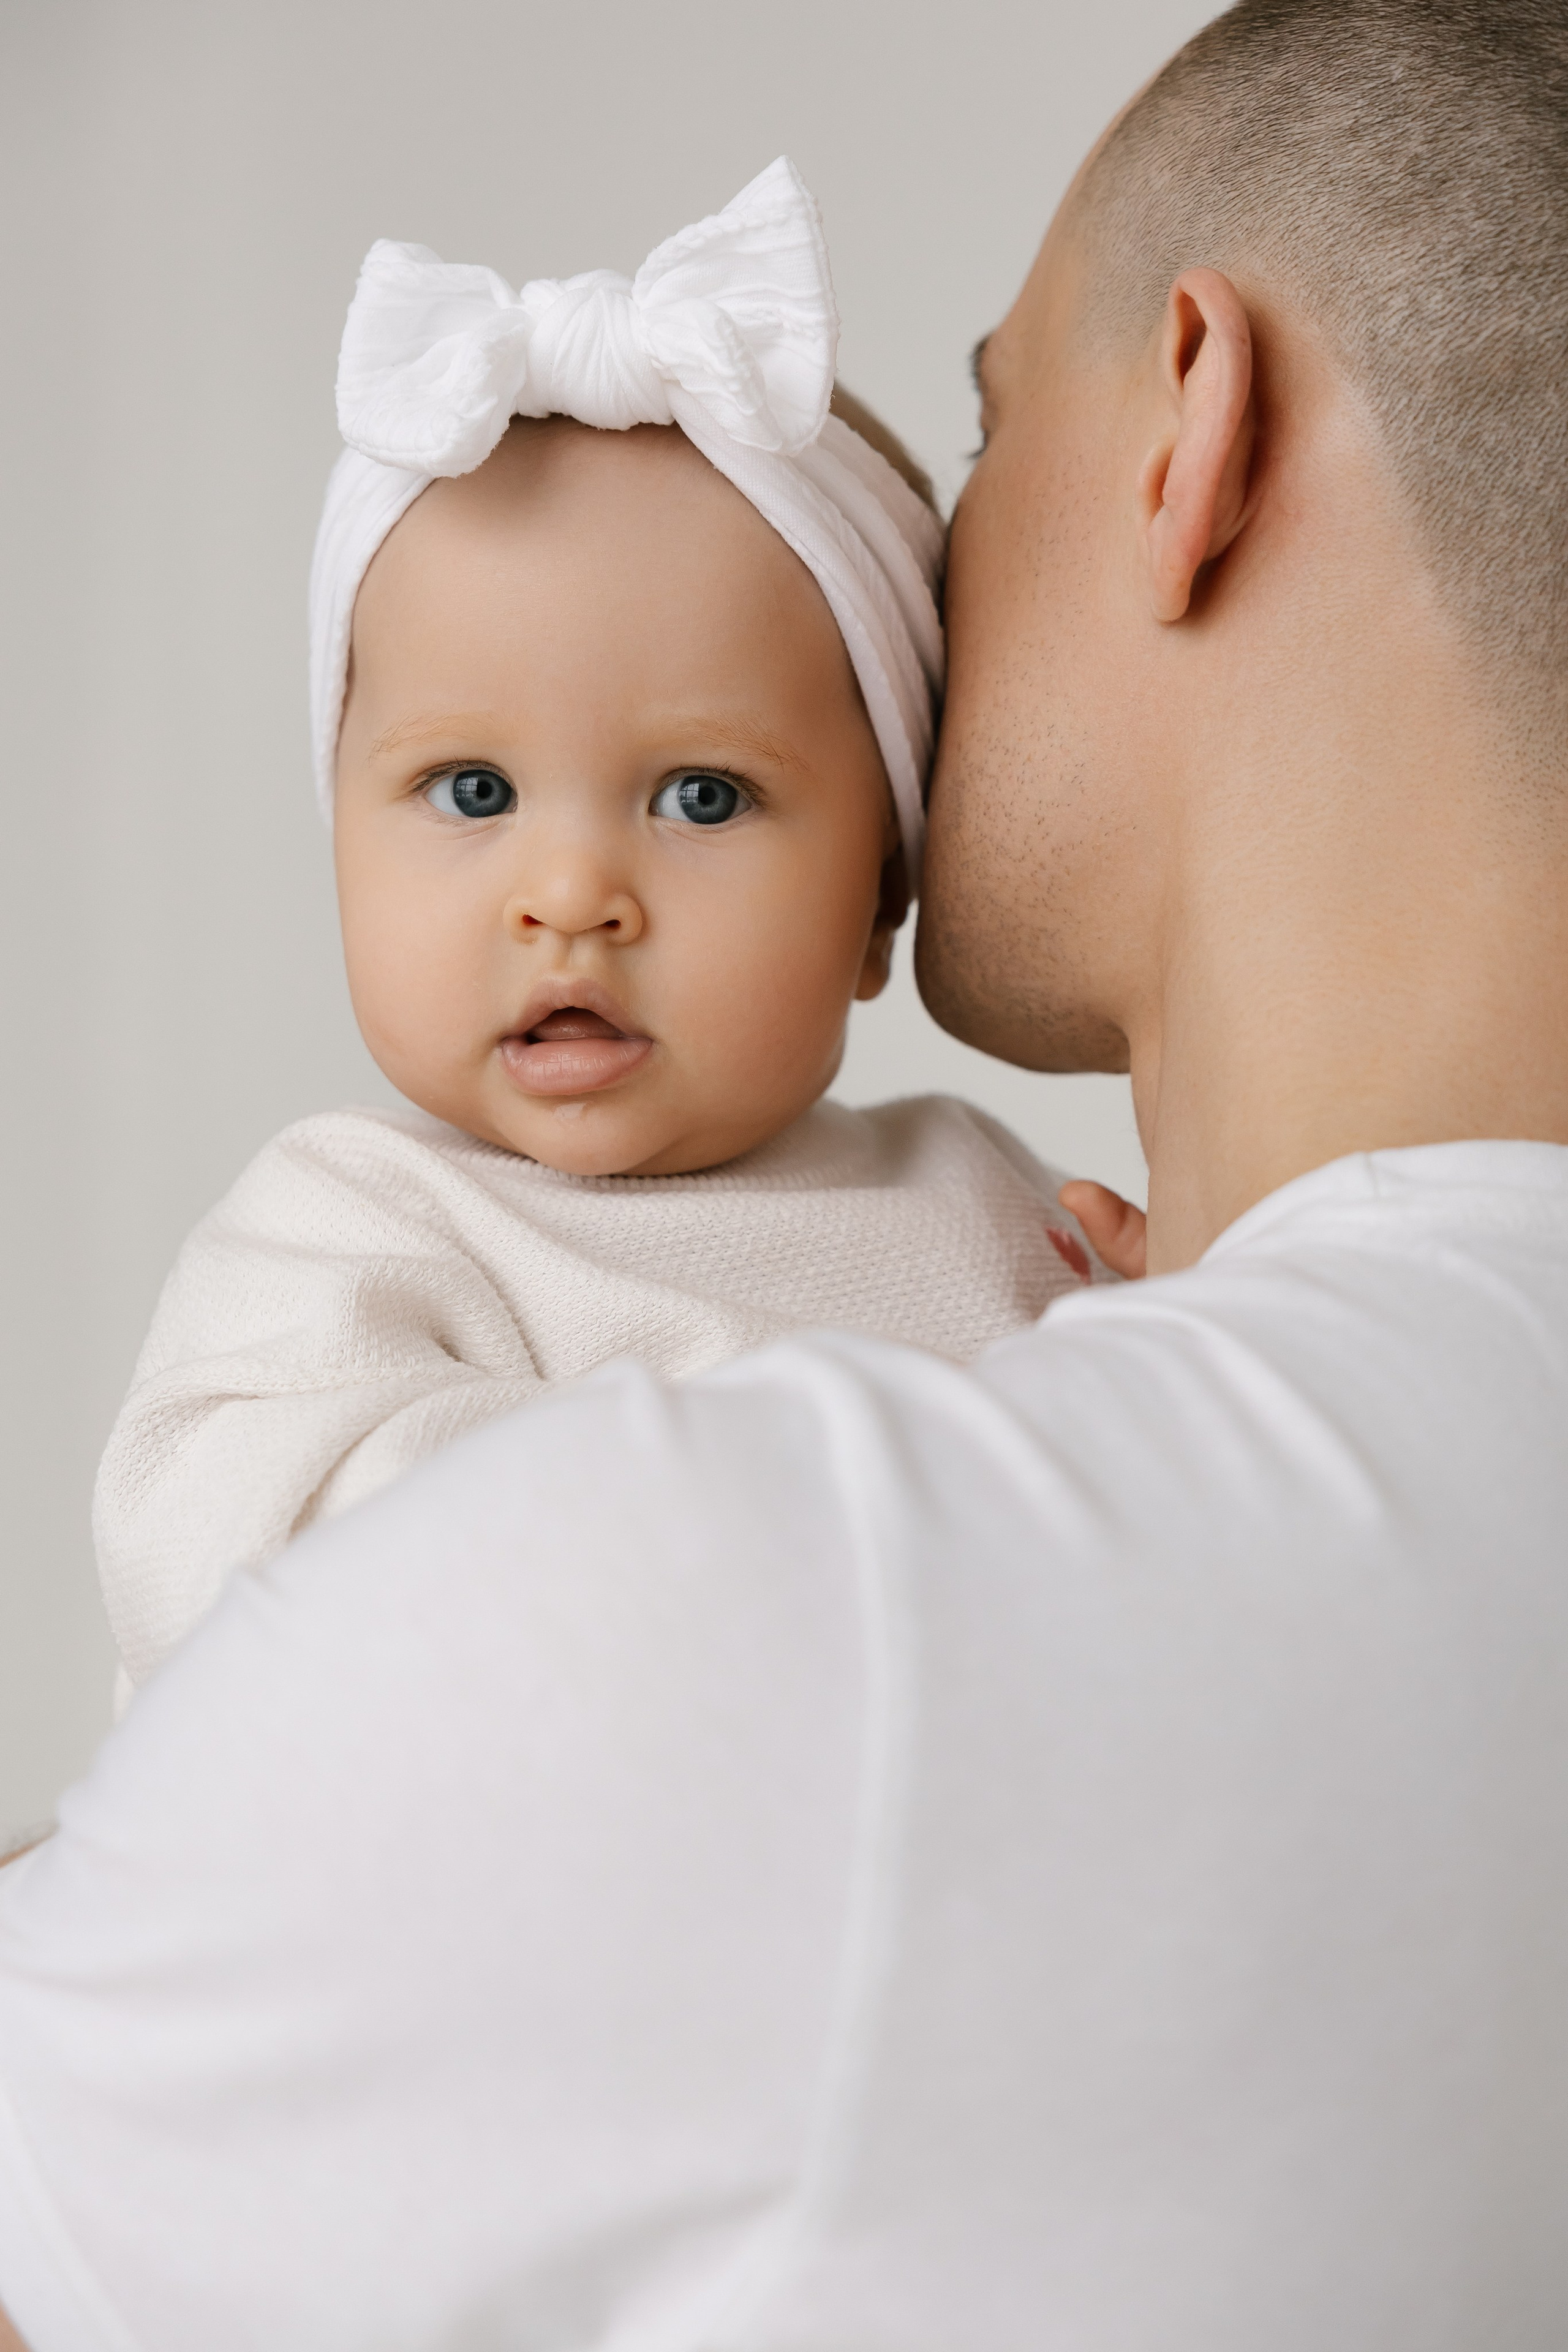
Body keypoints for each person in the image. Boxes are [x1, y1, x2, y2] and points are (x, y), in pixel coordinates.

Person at [4, 0, 1568, 2342]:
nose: (574, 892)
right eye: (465, 793)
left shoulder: (727, 1570)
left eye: (993, 419)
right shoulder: (379, 1246)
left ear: (1191, 436)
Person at [90, 158, 1110, 1700]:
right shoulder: (351, 1227)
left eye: (701, 797)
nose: (569, 895)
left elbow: (1160, 1524)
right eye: (470, 786)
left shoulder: (985, 1199)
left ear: (875, 902)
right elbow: (242, 1565)